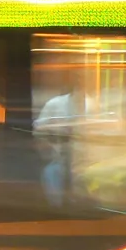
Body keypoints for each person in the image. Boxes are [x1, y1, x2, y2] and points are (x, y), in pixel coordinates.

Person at [33, 74, 97, 207]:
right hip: (58, 156)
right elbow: (38, 128)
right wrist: (55, 131)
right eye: (79, 85)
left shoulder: (93, 106)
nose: (81, 89)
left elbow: (98, 132)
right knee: (56, 190)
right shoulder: (54, 104)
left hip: (84, 161)